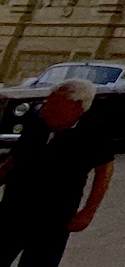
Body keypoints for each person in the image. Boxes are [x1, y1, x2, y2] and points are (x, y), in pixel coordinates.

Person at [0, 78, 116, 266]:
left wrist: (88, 212)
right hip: (14, 209)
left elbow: (104, 169)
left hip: (54, 217)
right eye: (48, 103)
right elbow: (13, 159)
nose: (46, 109)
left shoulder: (92, 130)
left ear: (77, 106)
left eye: (54, 105)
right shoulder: (38, 119)